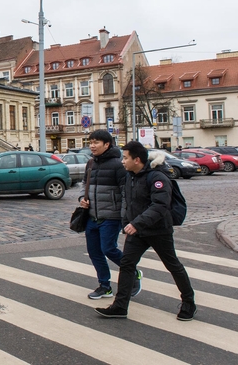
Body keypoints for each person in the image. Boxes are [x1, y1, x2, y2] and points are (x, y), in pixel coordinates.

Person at [96, 141, 196, 321]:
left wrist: (136, 224)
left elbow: (160, 206)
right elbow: (128, 201)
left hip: (158, 230)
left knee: (172, 265)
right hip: (138, 231)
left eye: (125, 158)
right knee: (127, 265)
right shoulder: (130, 176)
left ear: (137, 159)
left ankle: (189, 302)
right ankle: (120, 306)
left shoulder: (157, 177)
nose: (122, 162)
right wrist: (128, 222)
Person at [80, 129, 142, 300]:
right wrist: (82, 199)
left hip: (111, 216)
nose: (92, 146)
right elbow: (84, 185)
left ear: (106, 144)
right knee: (94, 251)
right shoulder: (90, 163)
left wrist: (123, 217)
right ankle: (104, 286)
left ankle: (133, 272)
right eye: (90, 142)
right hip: (92, 215)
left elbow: (125, 192)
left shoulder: (118, 164)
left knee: (108, 249)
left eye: (96, 142)